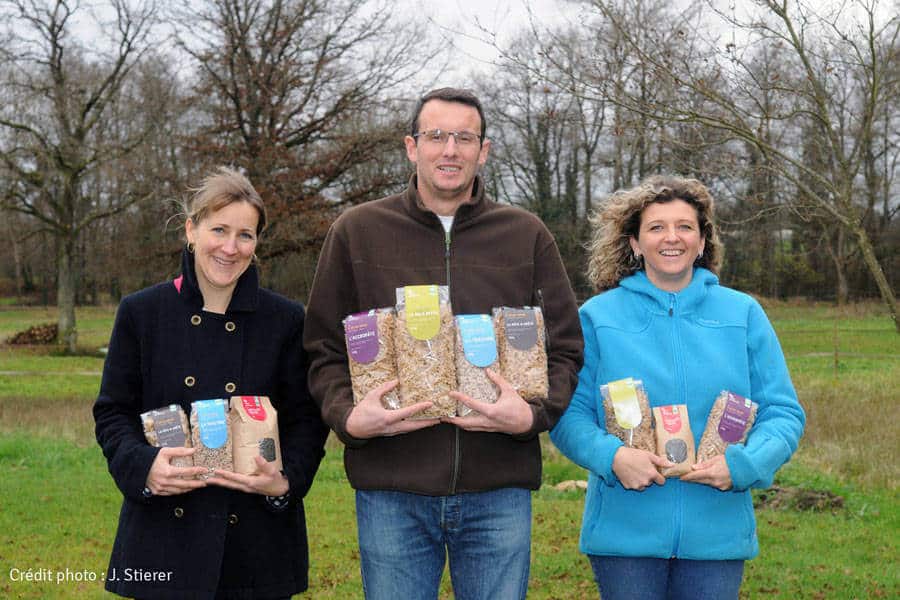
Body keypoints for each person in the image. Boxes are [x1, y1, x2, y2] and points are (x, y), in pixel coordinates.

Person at [302, 87, 583, 599]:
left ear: (484, 150)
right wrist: (347, 416)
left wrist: (533, 416)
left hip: (498, 486)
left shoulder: (525, 234)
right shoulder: (358, 231)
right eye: (436, 136)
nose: (449, 149)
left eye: (463, 137)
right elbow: (322, 348)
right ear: (412, 147)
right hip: (392, 487)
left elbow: (565, 348)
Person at [550, 175, 806, 599]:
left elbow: (783, 413)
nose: (672, 238)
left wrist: (742, 466)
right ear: (634, 243)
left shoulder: (743, 314)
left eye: (685, 226)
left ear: (703, 241)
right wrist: (613, 457)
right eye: (656, 227)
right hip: (624, 538)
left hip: (717, 538)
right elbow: (568, 415)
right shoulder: (597, 317)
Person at [93, 167, 330, 599]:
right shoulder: (143, 313)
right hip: (164, 542)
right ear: (191, 229)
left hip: (257, 547)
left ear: (257, 244)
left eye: (245, 235)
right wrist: (144, 468)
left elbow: (308, 421)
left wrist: (285, 482)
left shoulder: (286, 319)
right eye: (218, 229)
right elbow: (112, 412)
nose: (230, 247)